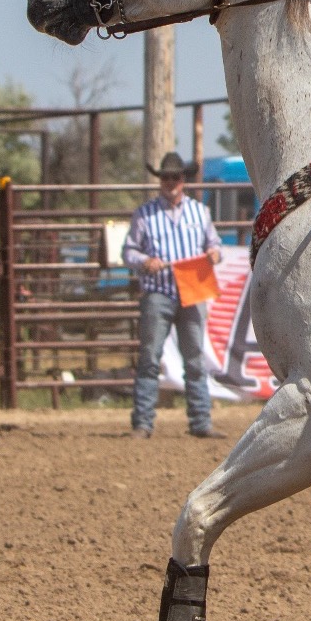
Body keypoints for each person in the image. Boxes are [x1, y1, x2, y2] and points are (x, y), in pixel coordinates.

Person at [122, 152, 224, 438]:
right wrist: (144, 261)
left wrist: (215, 254)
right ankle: (143, 422)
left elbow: (214, 244)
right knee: (150, 358)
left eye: (175, 177)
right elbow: (129, 251)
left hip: (192, 292)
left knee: (194, 359)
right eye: (165, 177)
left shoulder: (199, 212)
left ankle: (201, 422)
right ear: (160, 180)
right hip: (158, 292)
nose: (170, 182)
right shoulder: (144, 214)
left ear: (183, 180)